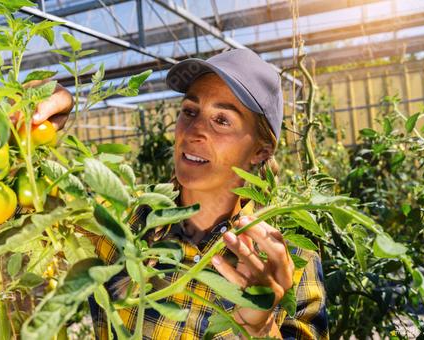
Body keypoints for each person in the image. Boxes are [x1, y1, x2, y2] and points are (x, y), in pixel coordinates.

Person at [36, 49, 328, 339]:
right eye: (190, 111)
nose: (193, 131)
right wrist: (33, 117)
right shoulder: (121, 217)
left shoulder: (287, 258)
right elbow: (24, 208)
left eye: (222, 120)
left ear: (260, 152)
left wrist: (260, 327)